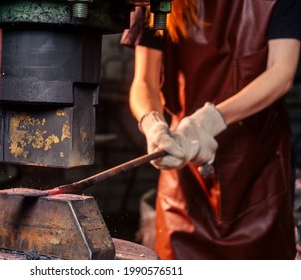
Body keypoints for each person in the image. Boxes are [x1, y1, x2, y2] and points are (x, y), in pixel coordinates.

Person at [121, 0, 301, 259]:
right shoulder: (159, 4)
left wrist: (210, 121)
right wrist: (152, 124)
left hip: (258, 173)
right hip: (184, 166)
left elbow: (281, 73)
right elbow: (145, 81)